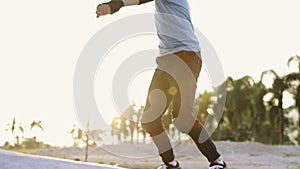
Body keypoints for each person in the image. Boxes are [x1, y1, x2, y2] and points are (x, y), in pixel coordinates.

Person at [96, 0, 227, 169]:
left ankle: (217, 162)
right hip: (166, 60)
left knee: (183, 118)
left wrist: (116, 4)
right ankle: (171, 164)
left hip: (186, 55)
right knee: (150, 119)